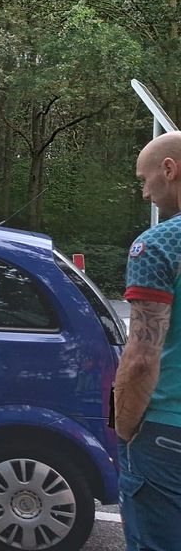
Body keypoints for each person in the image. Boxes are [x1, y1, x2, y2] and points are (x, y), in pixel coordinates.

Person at [117, 130, 181, 551]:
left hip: (165, 437)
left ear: (169, 170)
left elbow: (141, 358)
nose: (145, 193)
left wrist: (122, 429)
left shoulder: (158, 246)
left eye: (144, 179)